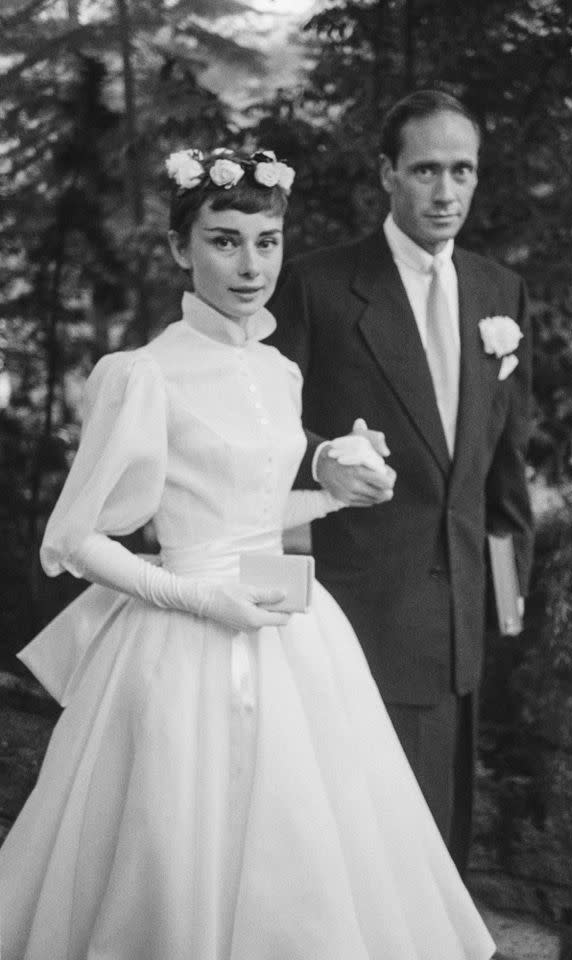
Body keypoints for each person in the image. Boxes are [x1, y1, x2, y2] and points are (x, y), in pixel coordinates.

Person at [0, 146, 496, 960]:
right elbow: (74, 539)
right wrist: (197, 598)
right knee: (179, 841)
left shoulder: (276, 371)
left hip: (293, 627)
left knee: (306, 841)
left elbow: (257, 518)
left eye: (267, 242)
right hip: (184, 638)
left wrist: (336, 493)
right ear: (179, 248)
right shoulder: (142, 373)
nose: (250, 265)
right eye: (224, 241)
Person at [268, 89, 534, 874]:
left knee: (444, 849)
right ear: (386, 173)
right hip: (355, 614)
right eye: (425, 170)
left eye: (462, 170)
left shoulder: (501, 293)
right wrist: (327, 457)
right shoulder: (317, 286)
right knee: (367, 857)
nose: (446, 191)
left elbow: (505, 466)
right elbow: (259, 433)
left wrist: (507, 596)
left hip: (462, 624)